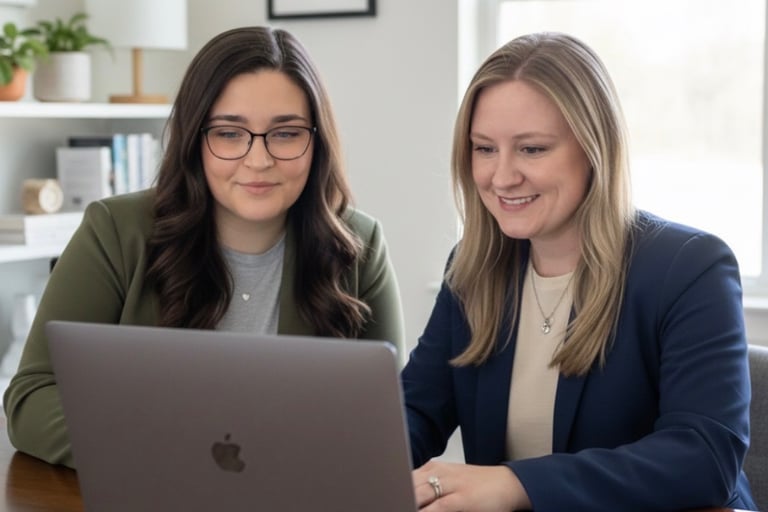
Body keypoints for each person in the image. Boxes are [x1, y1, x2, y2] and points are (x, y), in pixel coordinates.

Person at [3, 26, 405, 468]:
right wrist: (166, 453)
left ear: (317, 143)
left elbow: (385, 421)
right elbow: (32, 397)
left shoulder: (360, 246)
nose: (259, 160)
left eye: (286, 134)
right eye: (230, 134)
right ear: (196, 139)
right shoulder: (115, 232)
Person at [402, 31, 756, 511]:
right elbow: (414, 412)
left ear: (593, 149)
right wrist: (352, 460)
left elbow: (704, 458)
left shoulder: (690, 268)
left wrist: (513, 484)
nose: (501, 176)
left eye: (532, 149)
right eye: (484, 148)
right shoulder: (473, 268)